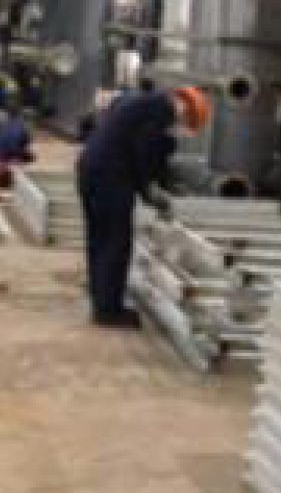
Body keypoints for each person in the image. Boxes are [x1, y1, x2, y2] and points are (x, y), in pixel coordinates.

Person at [75, 84, 208, 328]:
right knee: (116, 241)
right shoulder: (161, 108)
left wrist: (150, 181)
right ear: (184, 108)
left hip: (90, 168)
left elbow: (139, 146)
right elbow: (145, 154)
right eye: (186, 122)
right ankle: (109, 310)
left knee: (99, 238)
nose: (180, 127)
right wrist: (151, 189)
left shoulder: (141, 101)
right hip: (111, 176)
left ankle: (101, 298)